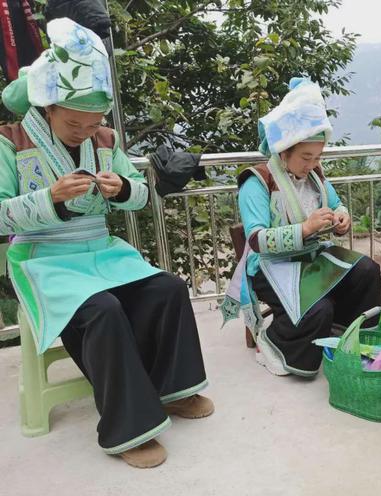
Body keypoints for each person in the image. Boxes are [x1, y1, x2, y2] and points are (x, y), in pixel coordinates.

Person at [0, 18, 213, 468]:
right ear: (47, 107)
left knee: (169, 289)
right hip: (44, 258)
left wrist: (122, 189)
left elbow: (140, 193)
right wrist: (48, 199)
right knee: (104, 309)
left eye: (93, 122)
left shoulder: (104, 140)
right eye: (74, 122)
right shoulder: (10, 142)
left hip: (101, 251)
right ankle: (128, 428)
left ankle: (173, 390)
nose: (84, 131)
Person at [222, 77, 381, 377]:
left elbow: (336, 204)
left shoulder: (314, 175)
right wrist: (305, 229)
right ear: (283, 151)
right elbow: (256, 240)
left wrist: (341, 217)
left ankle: (350, 336)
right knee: (315, 308)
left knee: (367, 271)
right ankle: (273, 342)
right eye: (305, 157)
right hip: (270, 267)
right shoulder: (256, 182)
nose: (312, 164)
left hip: (310, 257)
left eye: (317, 157)